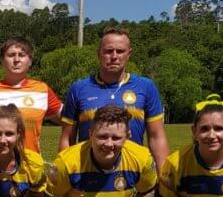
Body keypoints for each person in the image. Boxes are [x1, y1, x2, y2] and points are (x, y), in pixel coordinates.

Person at [58, 27, 169, 170]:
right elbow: (67, 138)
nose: (114, 56)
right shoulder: (79, 88)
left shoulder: (146, 87)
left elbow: (156, 136)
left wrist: (165, 178)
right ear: (99, 54)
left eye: (120, 51)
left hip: (132, 172)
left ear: (129, 54)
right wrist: (64, 172)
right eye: (108, 51)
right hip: (87, 173)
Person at [45, 104, 157, 197]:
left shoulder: (142, 158)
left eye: (116, 138)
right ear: (91, 133)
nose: (109, 144)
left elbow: (148, 189)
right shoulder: (66, 162)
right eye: (102, 137)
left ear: (128, 136)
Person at [0, 38, 62, 155]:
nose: (17, 60)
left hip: (30, 168)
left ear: (30, 61)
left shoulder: (43, 90)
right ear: (2, 61)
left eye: (22, 55)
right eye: (11, 55)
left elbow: (69, 120)